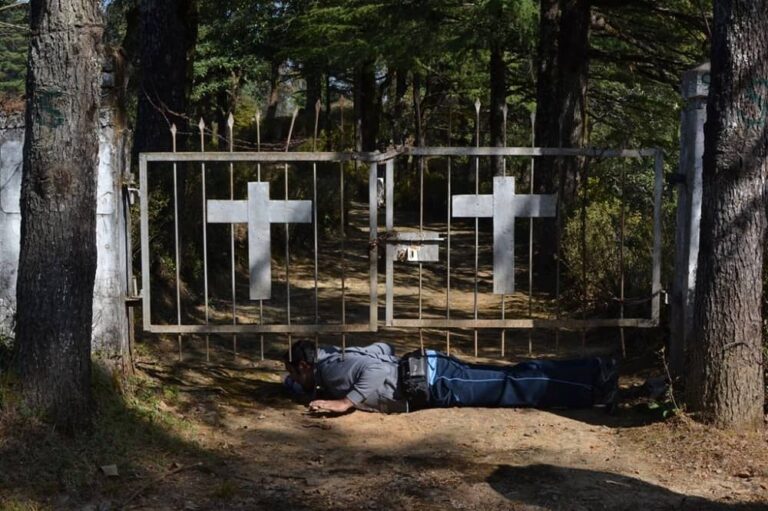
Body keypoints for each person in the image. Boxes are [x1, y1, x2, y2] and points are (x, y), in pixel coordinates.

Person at [283, 340, 618, 414]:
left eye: (295, 377)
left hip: (435, 381)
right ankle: (591, 369)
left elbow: (372, 371)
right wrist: (296, 389)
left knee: (513, 386)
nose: (298, 384)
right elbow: (382, 346)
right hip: (429, 368)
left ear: (304, 366)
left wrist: (346, 402)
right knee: (514, 375)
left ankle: (593, 388)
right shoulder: (334, 355)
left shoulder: (330, 370)